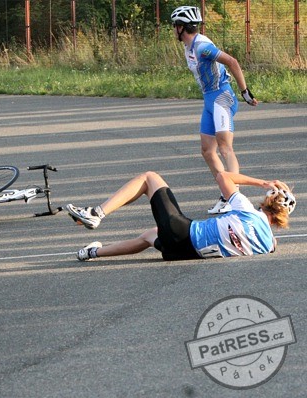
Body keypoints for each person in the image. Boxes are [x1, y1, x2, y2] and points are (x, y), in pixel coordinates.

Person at [66, 170, 295, 262]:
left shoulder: (246, 210)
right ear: (281, 219)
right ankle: (90, 252)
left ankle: (96, 213)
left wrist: (263, 182)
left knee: (149, 178)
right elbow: (273, 243)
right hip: (184, 253)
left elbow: (223, 176)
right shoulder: (268, 244)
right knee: (150, 235)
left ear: (268, 199)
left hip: (184, 233)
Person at [171, 6, 258, 214]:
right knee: (207, 150)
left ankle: (234, 197)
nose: (173, 29)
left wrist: (245, 92)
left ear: (182, 27)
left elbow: (232, 61)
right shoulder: (189, 46)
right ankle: (226, 193)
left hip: (222, 97)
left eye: (175, 26)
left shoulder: (202, 47)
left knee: (225, 148)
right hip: (209, 99)